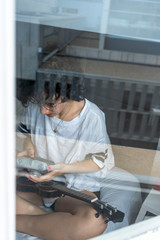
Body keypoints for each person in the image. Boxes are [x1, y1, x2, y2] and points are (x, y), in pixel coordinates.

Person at [16, 78, 115, 240]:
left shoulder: (92, 117)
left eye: (50, 105)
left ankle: (15, 221)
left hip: (71, 190)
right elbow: (25, 135)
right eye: (39, 102)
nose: (42, 110)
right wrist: (29, 146)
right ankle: (52, 223)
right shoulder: (37, 104)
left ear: (68, 95)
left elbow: (98, 162)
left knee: (95, 220)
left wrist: (63, 169)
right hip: (36, 185)